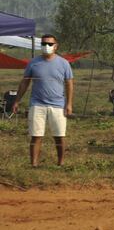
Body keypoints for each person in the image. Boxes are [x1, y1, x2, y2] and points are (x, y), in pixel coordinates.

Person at [12, 34, 74, 167]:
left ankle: (61, 163)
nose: (47, 46)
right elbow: (25, 83)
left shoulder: (64, 63)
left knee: (59, 136)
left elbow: (69, 84)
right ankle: (34, 164)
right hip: (37, 104)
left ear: (56, 46)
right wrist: (17, 101)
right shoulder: (33, 63)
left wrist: (68, 104)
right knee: (36, 135)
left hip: (58, 105)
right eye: (44, 44)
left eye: (50, 44)